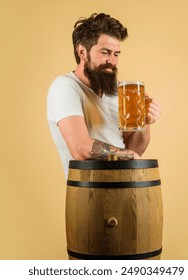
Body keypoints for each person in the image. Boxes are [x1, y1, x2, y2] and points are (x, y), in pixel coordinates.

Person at [47, 13, 161, 178]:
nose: (113, 61)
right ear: (82, 52)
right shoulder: (65, 87)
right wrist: (129, 156)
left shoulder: (117, 92)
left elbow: (134, 148)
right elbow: (81, 148)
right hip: (89, 193)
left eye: (116, 54)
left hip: (126, 188)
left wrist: (143, 121)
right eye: (105, 52)